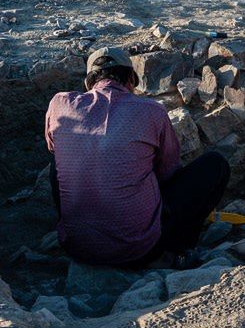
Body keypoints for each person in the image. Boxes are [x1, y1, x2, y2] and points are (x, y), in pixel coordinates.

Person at [45, 47, 229, 268]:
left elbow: (54, 147)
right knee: (215, 164)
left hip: (76, 247)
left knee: (57, 166)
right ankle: (178, 250)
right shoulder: (152, 110)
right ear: (131, 78)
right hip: (139, 251)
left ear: (90, 81)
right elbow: (167, 171)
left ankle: (80, 226)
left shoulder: (60, 104)